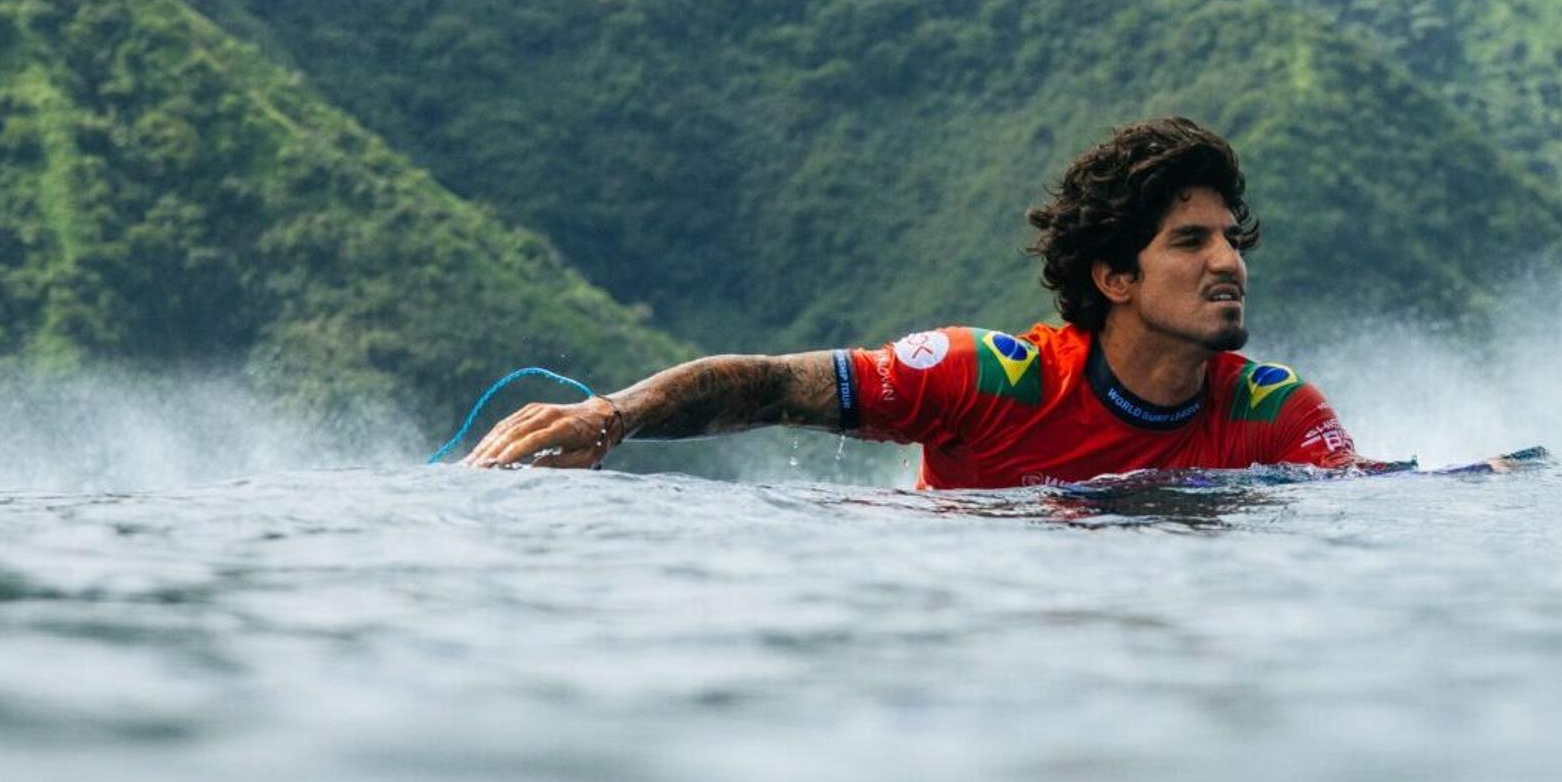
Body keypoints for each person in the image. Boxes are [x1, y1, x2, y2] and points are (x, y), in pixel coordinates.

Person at [471, 117, 1366, 488]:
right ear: (1113, 277)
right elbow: (771, 385)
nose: (1228, 263)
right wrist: (614, 416)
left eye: (1230, 240)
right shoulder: (988, 379)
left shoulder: (1277, 413)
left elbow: (1360, 513)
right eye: (1190, 241)